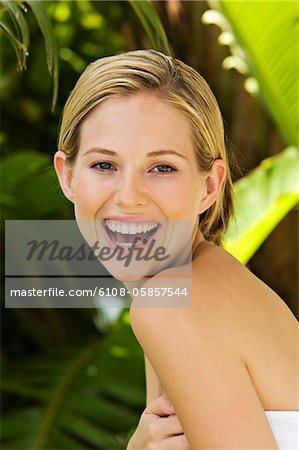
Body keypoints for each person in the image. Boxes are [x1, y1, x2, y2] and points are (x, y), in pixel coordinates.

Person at [54, 49, 298, 449]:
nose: (129, 197)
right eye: (104, 165)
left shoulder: (170, 307)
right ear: (68, 177)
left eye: (162, 168)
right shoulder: (190, 288)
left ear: (209, 186)